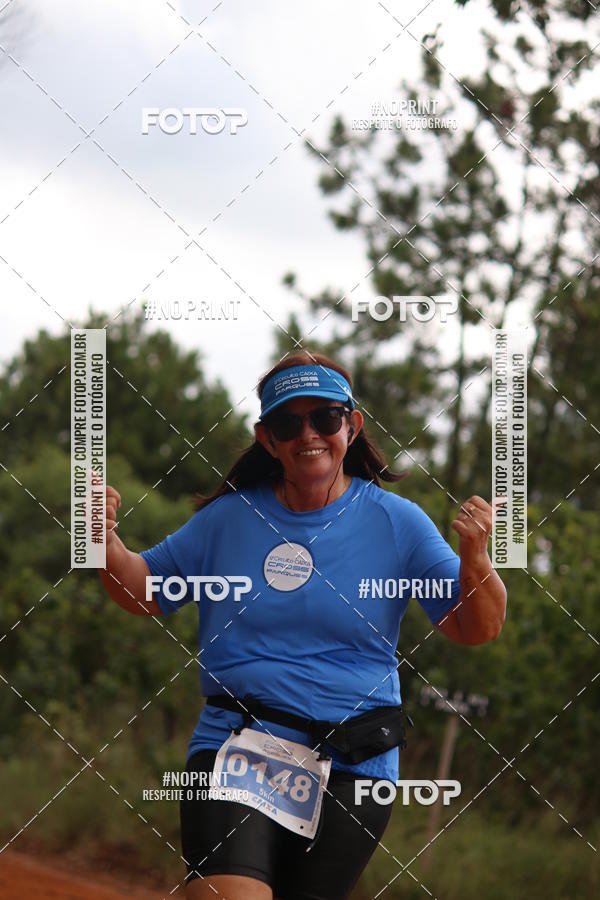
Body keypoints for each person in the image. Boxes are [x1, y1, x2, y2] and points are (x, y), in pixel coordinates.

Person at [99, 350, 507, 900]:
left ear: (352, 425)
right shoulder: (229, 519)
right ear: (267, 438)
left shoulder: (397, 521)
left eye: (326, 419)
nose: (308, 434)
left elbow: (475, 627)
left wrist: (476, 560)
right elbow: (146, 589)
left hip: (355, 762)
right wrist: (101, 541)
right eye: (289, 423)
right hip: (239, 746)